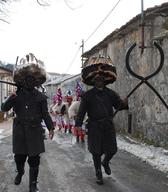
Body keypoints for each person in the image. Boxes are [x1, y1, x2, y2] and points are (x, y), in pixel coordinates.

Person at [1, 53, 55, 192]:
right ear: (23, 81)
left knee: (34, 160)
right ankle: (20, 172)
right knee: (19, 158)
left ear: (36, 82)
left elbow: (45, 114)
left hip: (35, 131)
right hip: (19, 131)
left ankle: (33, 184)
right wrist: (10, 98)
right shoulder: (16, 95)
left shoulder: (41, 97)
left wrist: (51, 128)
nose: (30, 81)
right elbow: (3, 108)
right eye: (27, 79)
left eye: (33, 79)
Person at [75, 55, 128, 185]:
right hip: (94, 126)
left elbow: (119, 106)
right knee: (96, 152)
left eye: (101, 79)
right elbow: (81, 112)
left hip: (108, 125)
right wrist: (78, 124)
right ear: (94, 81)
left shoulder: (111, 94)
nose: (99, 81)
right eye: (97, 79)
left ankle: (105, 162)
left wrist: (124, 103)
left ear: (104, 80)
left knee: (112, 150)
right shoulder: (88, 96)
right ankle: (98, 173)